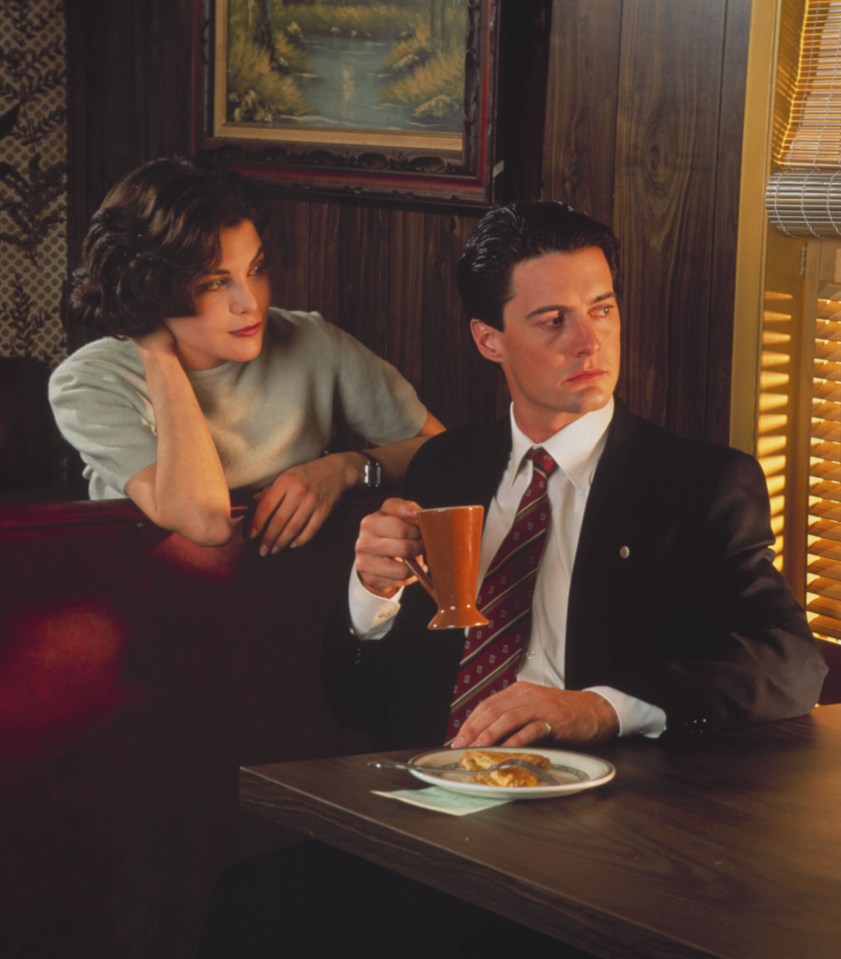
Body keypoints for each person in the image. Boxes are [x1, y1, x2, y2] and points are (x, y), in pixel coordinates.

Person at [323, 199, 827, 750]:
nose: (589, 342)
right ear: (490, 340)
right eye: (553, 320)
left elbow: (792, 665)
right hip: (433, 791)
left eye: (601, 310)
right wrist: (371, 597)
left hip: (601, 803)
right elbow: (358, 703)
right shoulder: (445, 466)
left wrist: (600, 707)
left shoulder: (701, 485)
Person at [49, 156, 444, 551]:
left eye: (256, 269)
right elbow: (205, 523)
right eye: (215, 284)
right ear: (151, 287)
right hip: (142, 593)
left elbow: (444, 452)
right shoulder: (88, 383)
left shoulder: (312, 342)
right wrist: (158, 355)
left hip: (293, 587)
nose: (250, 303)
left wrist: (345, 468)